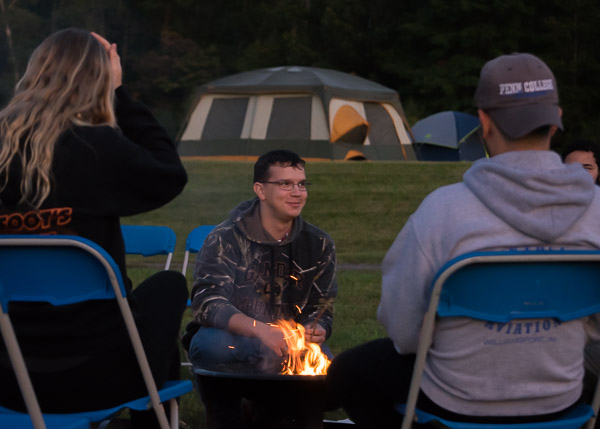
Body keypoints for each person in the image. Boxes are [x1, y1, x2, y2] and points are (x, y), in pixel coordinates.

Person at [326, 53, 600, 427]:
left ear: (484, 123)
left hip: (457, 403)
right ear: (557, 120)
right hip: (559, 399)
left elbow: (404, 333)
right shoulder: (597, 212)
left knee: (348, 371)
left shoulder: (443, 211)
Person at [0, 28, 188, 428]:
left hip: (10, 379)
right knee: (168, 287)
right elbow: (169, 173)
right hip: (96, 379)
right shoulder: (97, 147)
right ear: (96, 81)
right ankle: (152, 420)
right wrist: (120, 92)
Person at [183, 149, 337, 428]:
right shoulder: (225, 238)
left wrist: (319, 327)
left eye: (301, 184)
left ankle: (277, 413)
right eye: (285, 184)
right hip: (230, 340)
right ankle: (226, 417)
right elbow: (208, 303)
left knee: (325, 361)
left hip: (290, 344)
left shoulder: (319, 244)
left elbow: (322, 306)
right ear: (260, 190)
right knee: (215, 346)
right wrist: (261, 331)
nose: (297, 192)